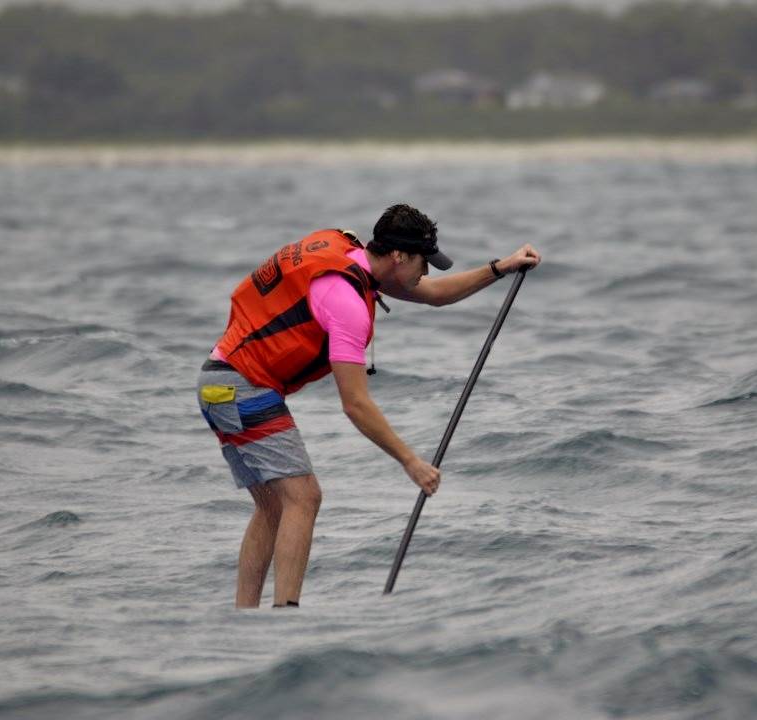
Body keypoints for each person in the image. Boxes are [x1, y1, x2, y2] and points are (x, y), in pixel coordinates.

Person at [197, 204, 541, 608]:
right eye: (423, 262)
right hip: (242, 386)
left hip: (217, 382)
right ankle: (285, 617)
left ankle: (245, 619)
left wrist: (501, 268)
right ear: (399, 256)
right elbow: (355, 404)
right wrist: (411, 462)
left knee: (274, 506)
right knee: (304, 498)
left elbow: (434, 295)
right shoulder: (346, 303)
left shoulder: (350, 256)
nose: (425, 272)